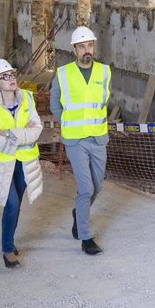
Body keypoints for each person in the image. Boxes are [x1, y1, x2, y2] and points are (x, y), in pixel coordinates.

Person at [50, 26, 111, 256]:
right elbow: (56, 104)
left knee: (97, 187)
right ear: (74, 49)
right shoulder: (63, 73)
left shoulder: (105, 72)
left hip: (98, 138)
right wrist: (67, 121)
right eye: (82, 46)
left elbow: (103, 101)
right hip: (75, 140)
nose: (87, 50)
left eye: (90, 45)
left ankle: (79, 213)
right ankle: (86, 238)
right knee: (85, 188)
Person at [0, 59, 43, 268]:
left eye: (12, 74)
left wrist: (8, 133)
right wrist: (21, 136)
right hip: (2, 164)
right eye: (5, 76)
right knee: (12, 204)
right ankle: (7, 249)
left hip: (24, 163)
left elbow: (37, 129)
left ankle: (9, 240)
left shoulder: (27, 98)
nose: (11, 79)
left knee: (14, 208)